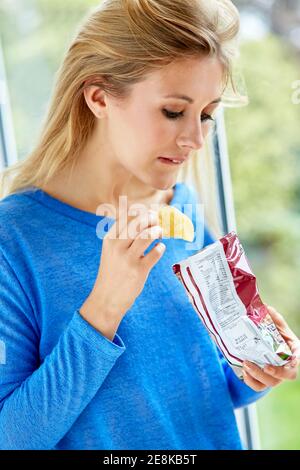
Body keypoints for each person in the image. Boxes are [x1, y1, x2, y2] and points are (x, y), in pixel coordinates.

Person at [0, 0, 299, 451]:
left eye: (206, 114)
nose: (196, 140)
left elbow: (194, 388)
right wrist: (102, 309)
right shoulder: (13, 242)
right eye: (173, 112)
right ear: (99, 97)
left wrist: (254, 371)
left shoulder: (182, 211)